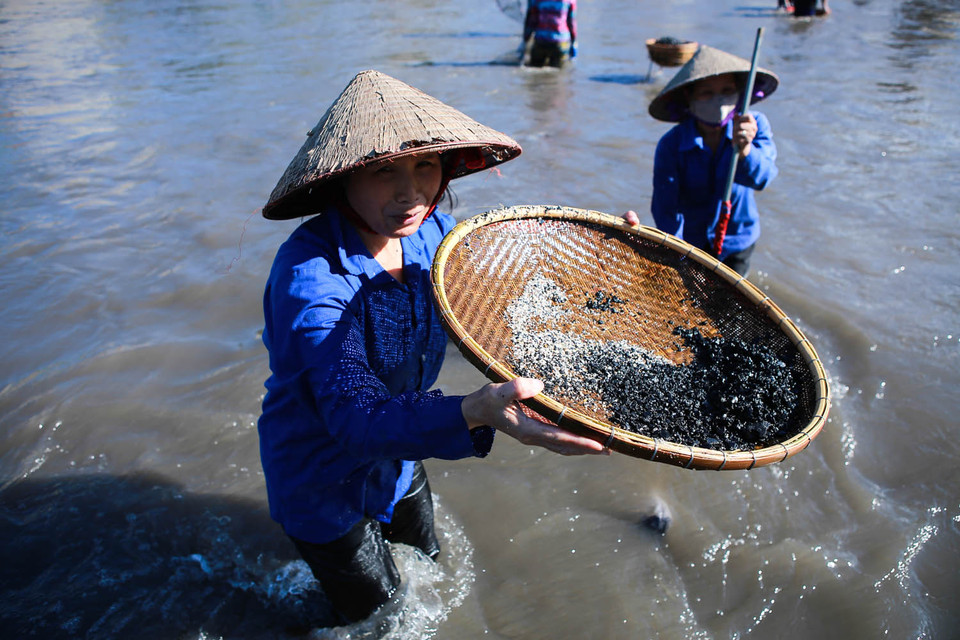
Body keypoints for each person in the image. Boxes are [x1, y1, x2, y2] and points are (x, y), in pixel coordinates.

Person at [257, 69, 607, 626]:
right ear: (341, 179)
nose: (410, 192)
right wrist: (473, 410)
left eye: (425, 166)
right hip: (321, 475)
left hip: (400, 452)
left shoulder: (431, 233)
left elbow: (501, 299)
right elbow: (354, 415)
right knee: (381, 616)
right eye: (383, 171)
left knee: (430, 563)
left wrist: (599, 280)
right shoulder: (311, 281)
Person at [625, 45, 780, 277]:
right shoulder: (672, 145)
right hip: (694, 242)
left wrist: (745, 148)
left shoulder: (754, 126)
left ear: (739, 93)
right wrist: (674, 255)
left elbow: (763, 178)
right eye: (707, 93)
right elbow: (666, 208)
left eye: (727, 90)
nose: (718, 101)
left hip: (737, 239)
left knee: (729, 303)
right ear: (689, 97)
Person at [523, 0, 578, 67]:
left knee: (535, 70)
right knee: (559, 74)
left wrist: (526, 39)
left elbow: (531, 20)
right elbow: (571, 22)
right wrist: (574, 41)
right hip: (561, 41)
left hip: (541, 40)